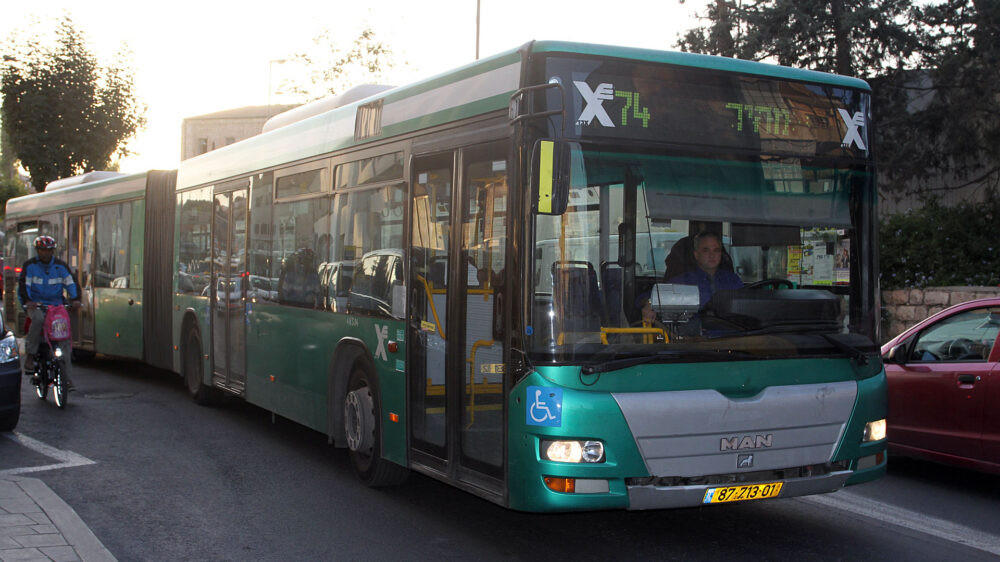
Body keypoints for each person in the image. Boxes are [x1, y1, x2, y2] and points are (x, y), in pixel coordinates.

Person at [17, 236, 82, 387]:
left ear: (52, 251)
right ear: (37, 251)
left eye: (48, 250)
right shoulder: (30, 266)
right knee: (38, 320)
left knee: (64, 340)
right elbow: (23, 287)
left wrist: (75, 299)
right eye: (42, 250)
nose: (45, 253)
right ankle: (30, 355)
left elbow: (71, 283)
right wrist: (28, 302)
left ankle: (67, 379)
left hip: (56, 307)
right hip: (36, 306)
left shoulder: (60, 267)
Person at [668, 231, 743, 307]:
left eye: (716, 250)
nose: (712, 255)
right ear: (696, 255)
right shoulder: (679, 283)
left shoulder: (733, 280)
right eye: (706, 250)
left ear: (720, 254)